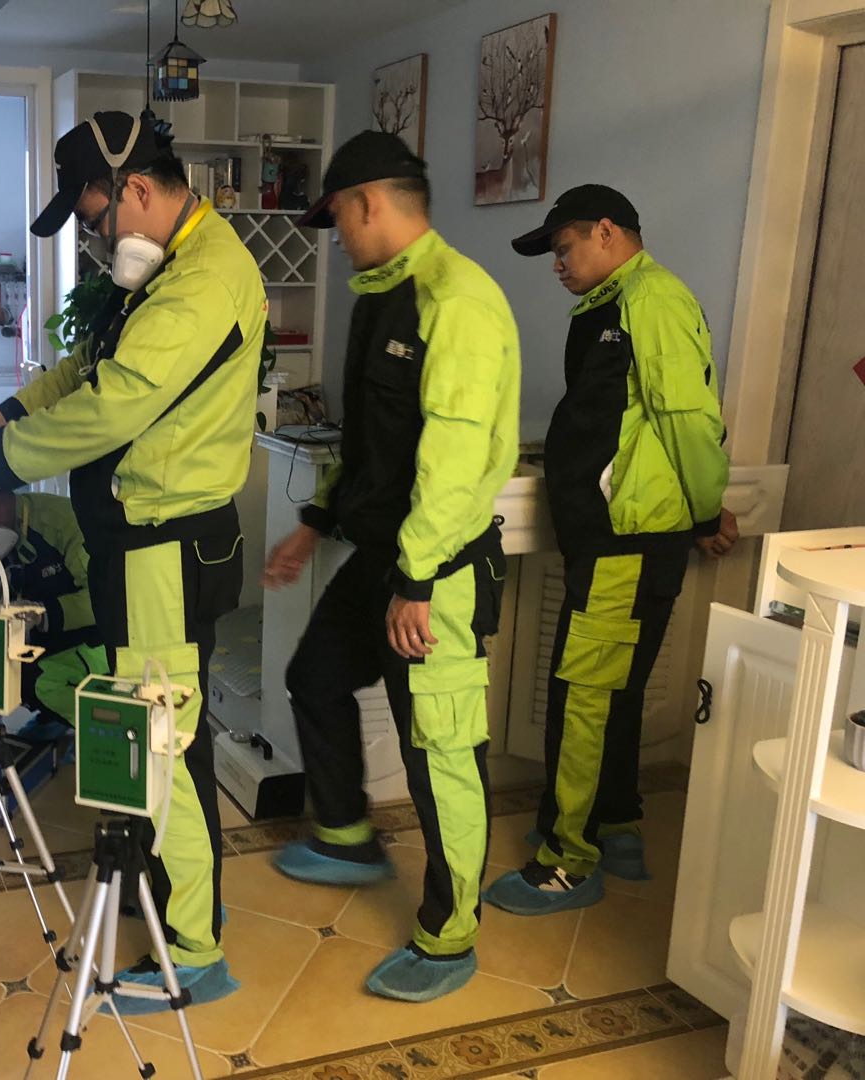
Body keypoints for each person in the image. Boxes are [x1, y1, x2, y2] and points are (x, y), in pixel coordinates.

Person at [0, 109, 266, 1013]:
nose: (94, 238)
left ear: (136, 189)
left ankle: (194, 952)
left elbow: (114, 405)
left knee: (161, 739)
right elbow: (83, 367)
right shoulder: (158, 276)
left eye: (94, 219)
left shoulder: (206, 282)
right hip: (137, 544)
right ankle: (176, 897)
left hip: (166, 547)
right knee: (163, 731)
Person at [263, 130, 520, 1003]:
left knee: (440, 754)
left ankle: (450, 937)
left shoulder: (459, 301)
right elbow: (373, 446)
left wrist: (416, 581)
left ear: (367, 203)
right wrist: (314, 523)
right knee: (314, 677)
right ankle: (345, 835)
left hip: (434, 573)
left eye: (336, 218)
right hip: (383, 555)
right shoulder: (382, 297)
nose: (336, 237)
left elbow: (454, 460)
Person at [483, 184, 734, 918]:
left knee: (585, 696)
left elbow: (688, 418)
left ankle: (567, 860)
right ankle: (617, 825)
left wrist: (706, 511)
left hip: (628, 540)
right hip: (619, 536)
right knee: (613, 690)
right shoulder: (612, 304)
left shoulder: (650, 300)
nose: (557, 264)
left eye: (563, 248)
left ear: (606, 231)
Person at [0, 488, 108, 745]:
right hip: (41, 641)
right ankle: (54, 719)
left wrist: (43, 613)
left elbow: (104, 601)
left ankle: (103, 737)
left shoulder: (63, 522)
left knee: (36, 681)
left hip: (92, 640)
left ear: (3, 497)